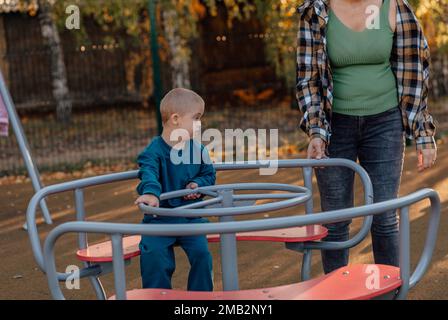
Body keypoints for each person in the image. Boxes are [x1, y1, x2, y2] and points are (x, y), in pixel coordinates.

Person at [296, 0, 437, 274]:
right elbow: (307, 78)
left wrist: (422, 132)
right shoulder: (315, 12)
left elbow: (416, 72)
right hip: (334, 126)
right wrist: (316, 131)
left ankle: (390, 290)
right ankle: (336, 291)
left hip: (384, 122)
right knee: (336, 220)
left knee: (384, 216)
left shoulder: (396, 8)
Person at [135, 88, 215, 290]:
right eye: (196, 118)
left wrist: (199, 184)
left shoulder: (198, 149)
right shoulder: (154, 150)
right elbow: (149, 173)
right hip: (159, 219)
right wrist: (151, 193)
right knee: (154, 257)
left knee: (202, 256)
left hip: (190, 218)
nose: (200, 124)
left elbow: (208, 174)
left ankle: (200, 300)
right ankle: (157, 295)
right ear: (176, 119)